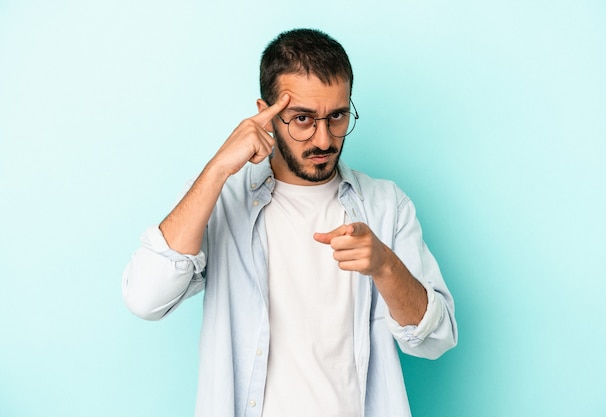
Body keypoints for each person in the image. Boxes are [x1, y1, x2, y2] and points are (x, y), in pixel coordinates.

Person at [123, 28, 457, 417]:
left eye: (337, 116)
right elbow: (145, 299)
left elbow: (436, 339)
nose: (323, 139)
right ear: (266, 112)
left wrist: (384, 265)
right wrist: (217, 169)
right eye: (302, 119)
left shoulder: (386, 205)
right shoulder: (222, 199)